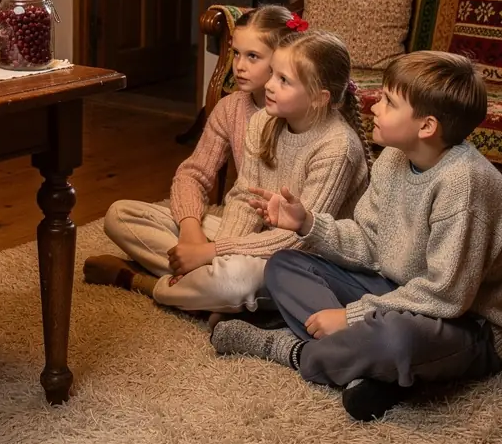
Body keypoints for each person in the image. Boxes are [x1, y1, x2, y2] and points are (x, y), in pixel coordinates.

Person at [215, 51, 502, 422]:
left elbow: (447, 295)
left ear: (426, 126)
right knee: (285, 264)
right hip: (398, 289)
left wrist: (352, 316)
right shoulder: (395, 158)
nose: (373, 105)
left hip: (472, 326)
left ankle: (289, 350)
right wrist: (307, 224)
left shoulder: (464, 184)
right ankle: (373, 370)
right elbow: (368, 242)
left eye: (388, 101)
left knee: (396, 339)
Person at [86, 23, 370, 317]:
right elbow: (244, 200)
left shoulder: (338, 148)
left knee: (233, 282)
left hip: (299, 261)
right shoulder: (264, 122)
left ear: (319, 98)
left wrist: (211, 253)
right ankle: (203, 287)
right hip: (252, 240)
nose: (270, 85)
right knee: (120, 215)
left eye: (284, 80)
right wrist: (212, 250)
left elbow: (300, 240)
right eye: (272, 73)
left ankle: (144, 281)